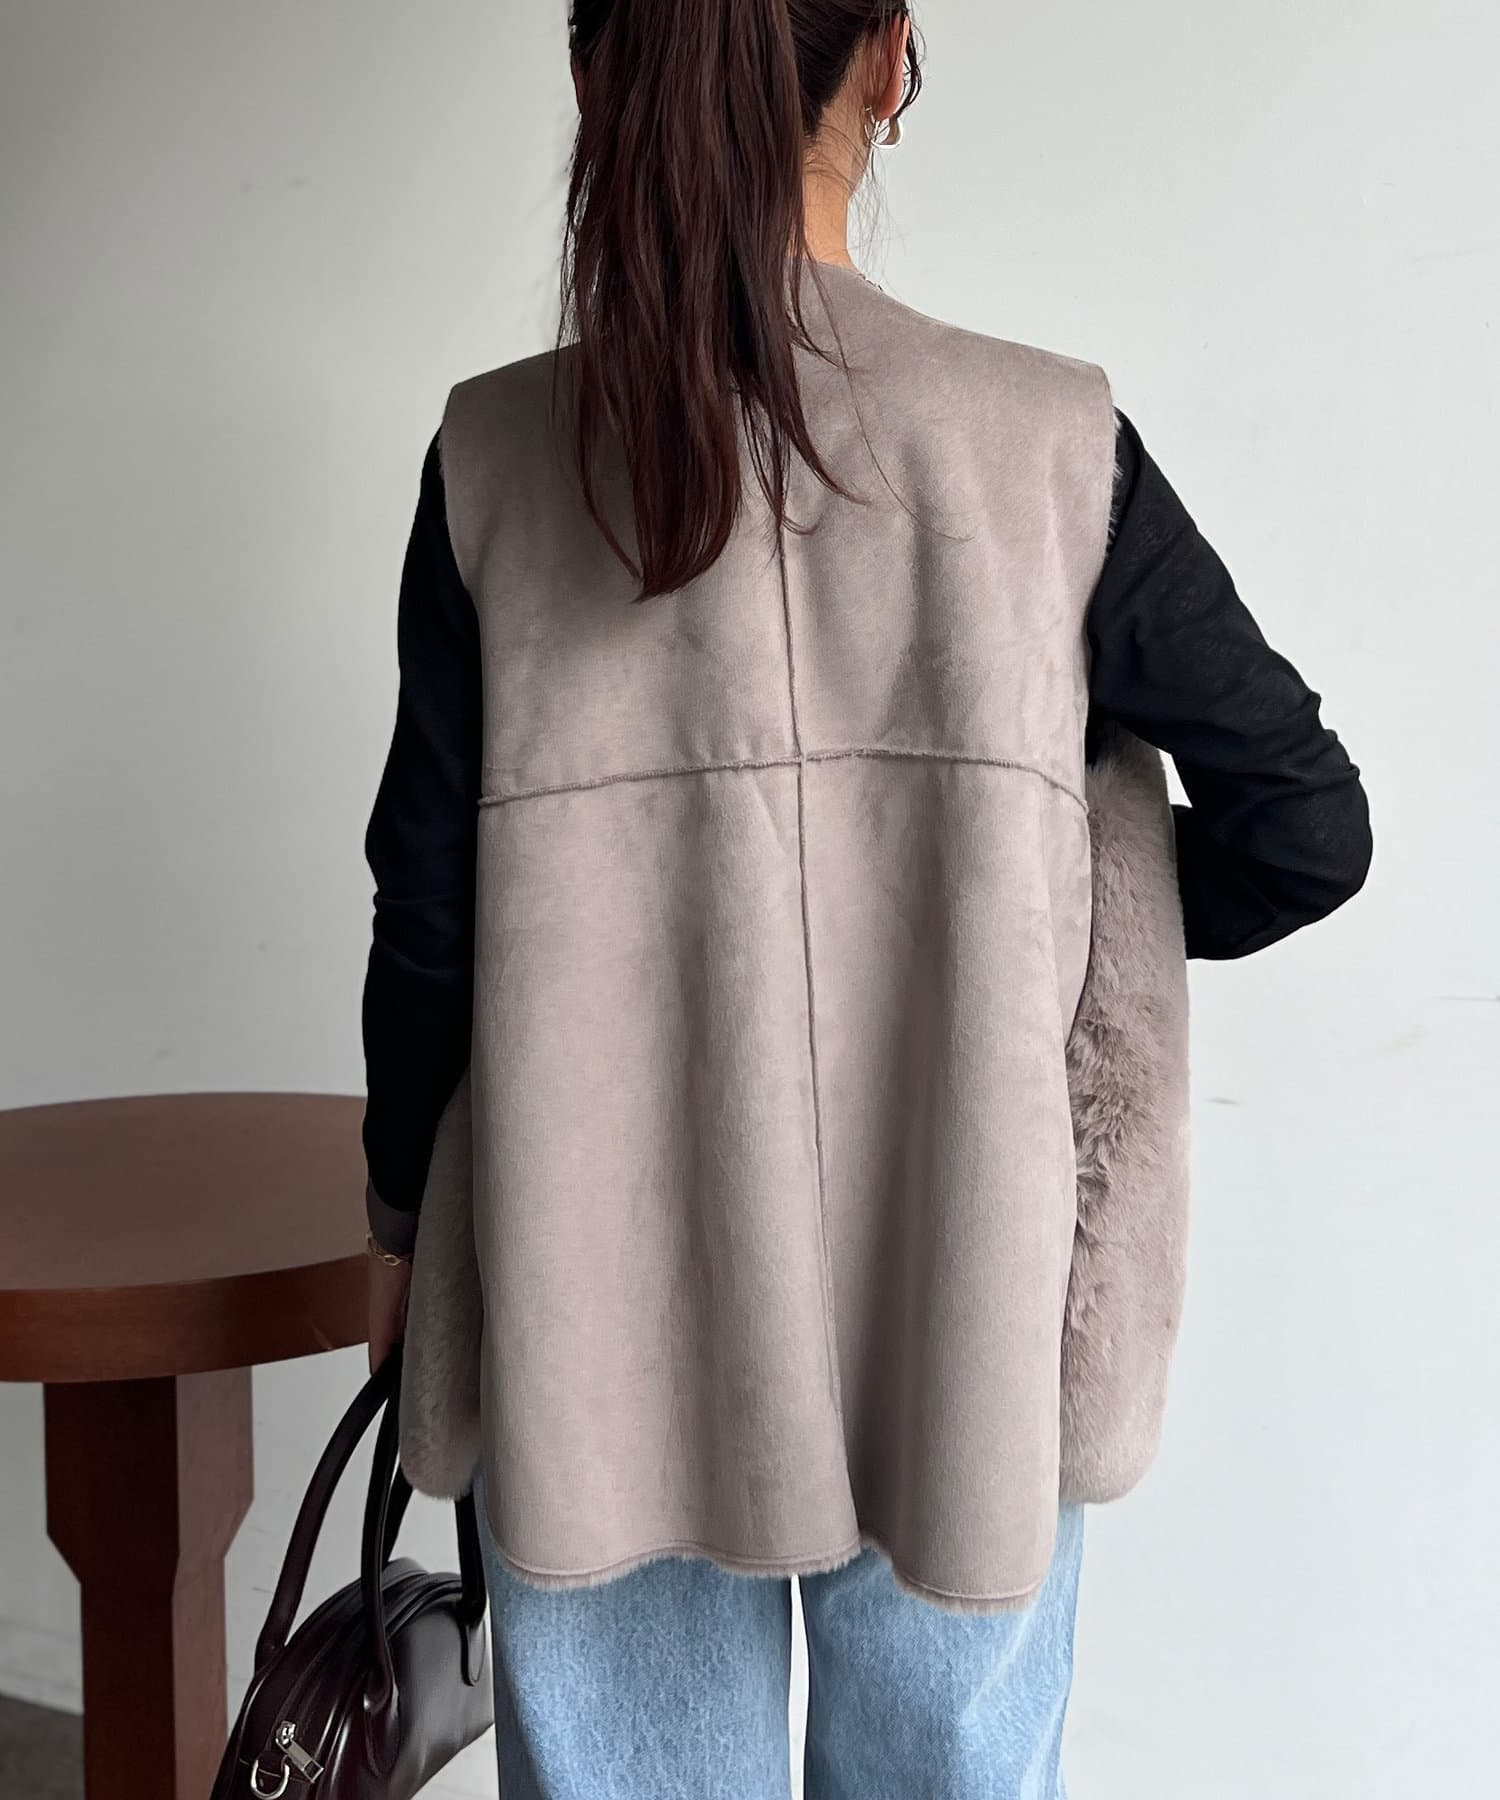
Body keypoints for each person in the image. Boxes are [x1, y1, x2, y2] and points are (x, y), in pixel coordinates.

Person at [358, 3, 1372, 1795]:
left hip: (599, 1310)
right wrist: (1043, 917)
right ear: (890, 64)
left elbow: (430, 918)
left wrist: (395, 1233)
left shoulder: (497, 458)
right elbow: (1306, 823)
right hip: (961, 1291)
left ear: (596, 74)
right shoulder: (1046, 446)